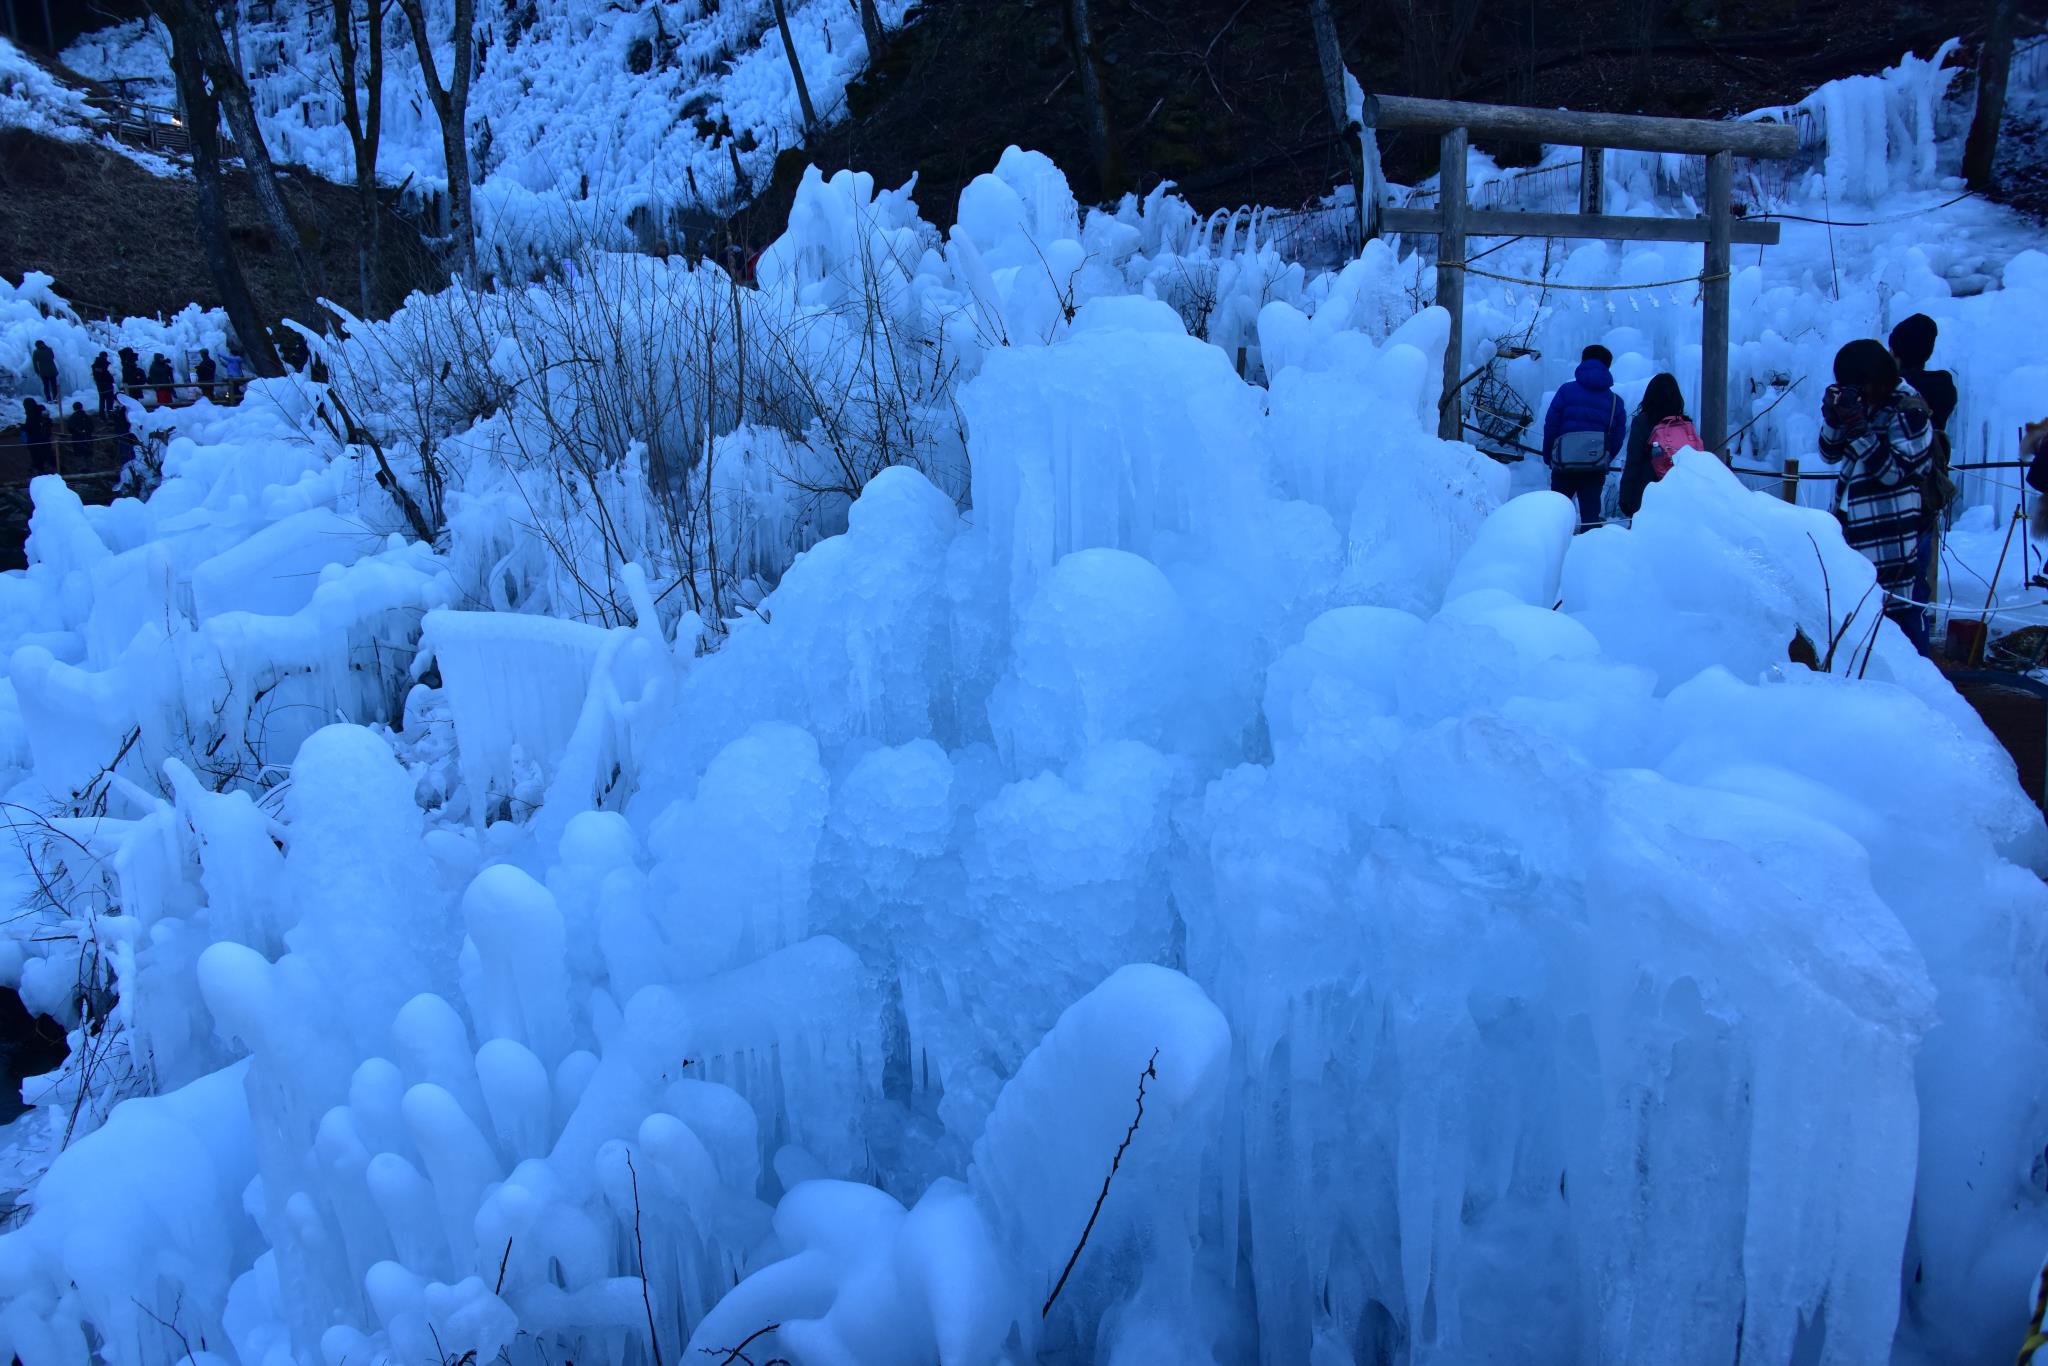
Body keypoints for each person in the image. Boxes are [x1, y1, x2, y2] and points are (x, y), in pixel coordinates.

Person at [1819, 339, 1937, 653]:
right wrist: (1834, 418)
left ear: (1875, 379)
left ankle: (1915, 681)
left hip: (1892, 537)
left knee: (1900, 618)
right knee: (1856, 613)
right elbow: (1829, 455)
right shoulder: (1862, 402)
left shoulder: (1909, 410)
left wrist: (1859, 428)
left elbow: (1893, 473)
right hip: (1851, 528)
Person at [1889, 313, 1958, 630]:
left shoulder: (1896, 390)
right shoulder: (1943, 387)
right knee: (1920, 568)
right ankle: (1919, 629)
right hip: (1930, 488)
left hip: (1893, 489)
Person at [1541, 344, 1628, 530]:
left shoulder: (1566, 391)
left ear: (1583, 362)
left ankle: (1554, 545)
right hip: (1594, 466)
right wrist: (1604, 458)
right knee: (1591, 517)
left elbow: (1551, 426)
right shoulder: (1615, 402)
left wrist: (1549, 456)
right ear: (1608, 366)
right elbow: (1617, 438)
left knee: (1556, 514)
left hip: (1563, 464)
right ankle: (1590, 545)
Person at [1618, 373, 1704, 519]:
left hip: (1648, 490)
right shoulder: (1685, 423)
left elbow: (1633, 461)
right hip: (1679, 490)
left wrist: (1625, 496)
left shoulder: (1643, 422)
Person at [20, 400, 55, 477]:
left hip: (35, 441)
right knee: (48, 455)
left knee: (37, 457)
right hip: (45, 439)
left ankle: (40, 472)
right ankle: (52, 470)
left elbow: (31, 427)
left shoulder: (31, 414)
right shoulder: (41, 410)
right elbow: (48, 422)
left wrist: (23, 427)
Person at [61, 401, 94, 470]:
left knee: (79, 454)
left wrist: (77, 432)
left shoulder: (72, 417)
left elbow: (70, 428)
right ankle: (90, 468)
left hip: (77, 439)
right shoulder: (86, 416)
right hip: (87, 438)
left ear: (74, 408)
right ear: (82, 407)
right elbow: (91, 427)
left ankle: (82, 468)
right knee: (88, 453)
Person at [92, 351, 117, 419]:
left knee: (102, 400)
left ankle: (101, 415)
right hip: (107, 385)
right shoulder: (106, 364)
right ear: (105, 356)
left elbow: (95, 375)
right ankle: (110, 414)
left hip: (100, 386)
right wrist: (111, 380)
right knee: (110, 400)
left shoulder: (95, 365)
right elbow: (111, 373)